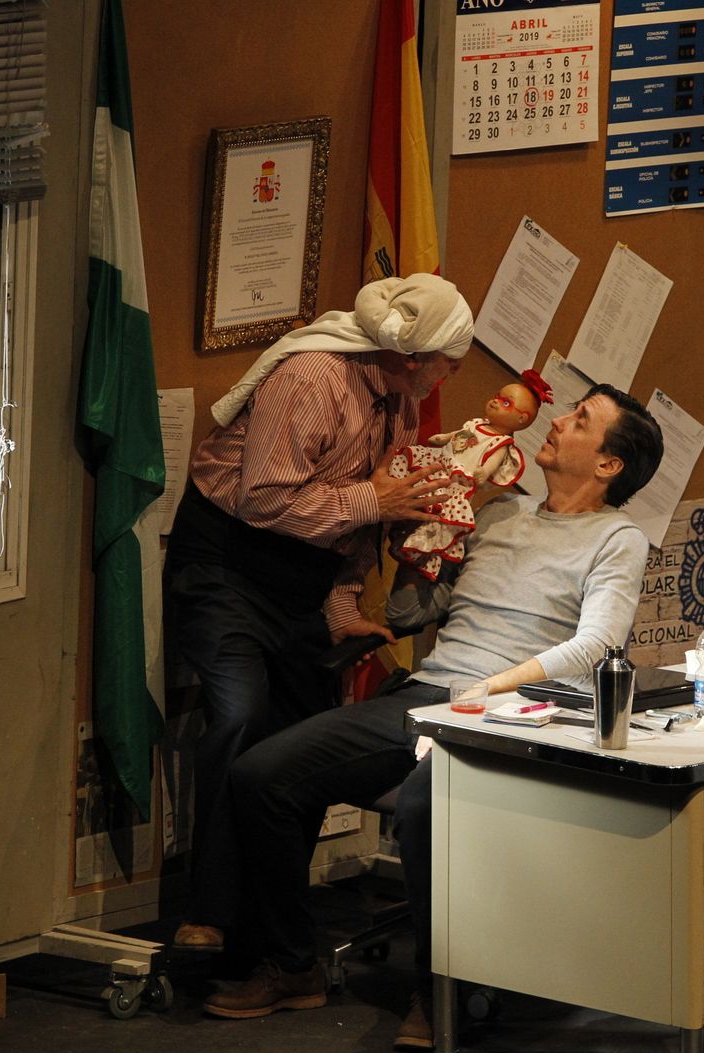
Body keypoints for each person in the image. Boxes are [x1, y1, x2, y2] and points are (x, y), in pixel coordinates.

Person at [195, 384, 665, 1051]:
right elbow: (416, 614)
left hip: (515, 714)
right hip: (430, 695)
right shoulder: (499, 512)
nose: (558, 421)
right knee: (261, 774)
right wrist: (416, 550)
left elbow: (597, 645)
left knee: (425, 806)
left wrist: (495, 685)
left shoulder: (617, 538)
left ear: (609, 464)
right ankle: (292, 963)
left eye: (580, 420)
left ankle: (442, 987)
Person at [167, 274, 474, 950]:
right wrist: (375, 502)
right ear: (412, 357)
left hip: (303, 577)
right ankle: (210, 912)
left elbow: (364, 513)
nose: (454, 373)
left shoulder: (397, 400)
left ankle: (274, 921)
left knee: (298, 742)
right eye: (449, 359)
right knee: (242, 714)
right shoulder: (313, 377)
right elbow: (266, 499)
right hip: (230, 562)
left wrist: (340, 601)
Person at [388, 369, 553, 580]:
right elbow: (461, 436)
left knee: (436, 516)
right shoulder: (476, 424)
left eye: (506, 403)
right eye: (498, 396)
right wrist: (445, 437)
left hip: (457, 482)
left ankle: (417, 547)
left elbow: (492, 461)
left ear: (521, 418)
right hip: (441, 463)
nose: (495, 401)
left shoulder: (500, 443)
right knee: (413, 483)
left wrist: (484, 471)